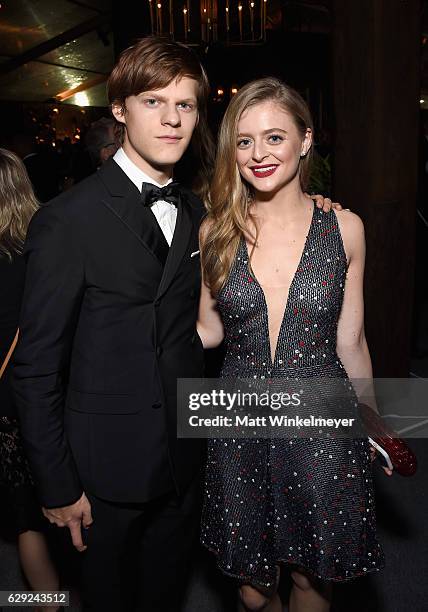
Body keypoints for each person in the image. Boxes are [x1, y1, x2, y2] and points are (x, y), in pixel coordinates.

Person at [11, 37, 338, 611]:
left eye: (185, 105)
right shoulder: (67, 220)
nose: (171, 119)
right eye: (152, 102)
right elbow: (35, 369)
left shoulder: (200, 217)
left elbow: (214, 317)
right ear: (119, 111)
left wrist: (319, 210)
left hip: (187, 462)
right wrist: (57, 485)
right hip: (101, 474)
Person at [197, 78, 392, 612]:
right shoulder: (215, 230)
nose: (258, 154)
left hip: (322, 423)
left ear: (305, 141)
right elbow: (207, 330)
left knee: (311, 578)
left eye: (275, 137)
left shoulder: (345, 228)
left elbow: (351, 339)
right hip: (240, 422)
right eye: (244, 141)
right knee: (253, 593)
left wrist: (371, 419)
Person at [0, 148, 61, 612]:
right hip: (48, 393)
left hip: (7, 405)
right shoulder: (44, 248)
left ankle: (46, 604)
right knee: (54, 505)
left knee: (27, 523)